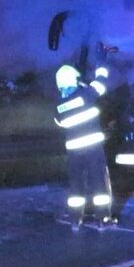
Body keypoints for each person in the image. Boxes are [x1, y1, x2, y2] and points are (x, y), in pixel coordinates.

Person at [53, 63, 115, 230]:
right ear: (74, 80)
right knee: (98, 184)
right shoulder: (85, 94)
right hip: (93, 149)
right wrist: (102, 64)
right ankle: (103, 219)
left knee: (76, 185)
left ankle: (75, 219)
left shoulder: (59, 104)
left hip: (73, 152)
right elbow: (101, 84)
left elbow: (60, 122)